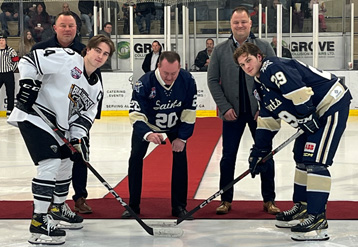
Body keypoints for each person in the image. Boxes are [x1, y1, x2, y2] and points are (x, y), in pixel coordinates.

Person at [233, 42, 352, 241]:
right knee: (301, 157)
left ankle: (317, 218)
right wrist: (259, 151)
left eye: (249, 60)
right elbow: (268, 120)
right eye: (242, 65)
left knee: (316, 160)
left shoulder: (273, 67)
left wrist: (305, 114)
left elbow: (298, 90)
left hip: (331, 105)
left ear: (259, 57)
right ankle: (303, 207)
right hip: (312, 114)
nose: (247, 67)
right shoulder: (259, 86)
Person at [7, 34, 115, 245]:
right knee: (51, 163)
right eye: (97, 50)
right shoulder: (67, 58)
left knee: (66, 161)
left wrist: (77, 140)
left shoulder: (96, 88)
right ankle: (39, 220)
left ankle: (57, 208)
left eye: (105, 53)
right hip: (34, 116)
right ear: (88, 50)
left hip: (58, 128)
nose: (100, 56)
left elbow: (84, 118)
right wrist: (28, 82)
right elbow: (29, 60)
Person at [207, 6, 280, 216]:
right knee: (228, 156)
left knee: (266, 155)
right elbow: (212, 80)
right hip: (232, 114)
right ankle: (225, 200)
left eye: (243, 22)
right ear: (231, 25)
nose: (240, 26)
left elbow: (272, 79)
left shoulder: (264, 46)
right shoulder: (220, 50)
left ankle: (269, 200)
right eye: (236, 22)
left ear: (250, 24)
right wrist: (224, 106)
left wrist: (265, 108)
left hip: (260, 113)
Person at [32, 11, 103, 215]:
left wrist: (88, 121)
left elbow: (95, 86)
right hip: (48, 119)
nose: (67, 29)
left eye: (71, 25)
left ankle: (79, 198)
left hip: (76, 117)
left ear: (76, 28)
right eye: (62, 25)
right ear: (54, 28)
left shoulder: (86, 51)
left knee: (78, 157)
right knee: (51, 161)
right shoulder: (41, 49)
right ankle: (48, 202)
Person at [121, 51, 197, 219]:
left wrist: (182, 138)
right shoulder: (144, 83)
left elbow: (189, 112)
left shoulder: (188, 80)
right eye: (166, 73)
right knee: (135, 158)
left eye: (173, 73)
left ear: (180, 69)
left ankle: (179, 206)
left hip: (175, 125)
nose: (169, 77)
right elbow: (135, 114)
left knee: (180, 159)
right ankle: (133, 206)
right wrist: (147, 133)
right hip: (149, 124)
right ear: (158, 67)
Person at [0, 31, 19, 118]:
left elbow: (16, 61)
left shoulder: (11, 50)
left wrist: (11, 69)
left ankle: (10, 110)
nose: (1, 41)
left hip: (8, 73)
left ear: (6, 41)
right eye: (0, 39)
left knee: (10, 92)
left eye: (3, 39)